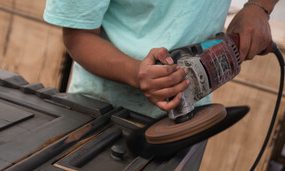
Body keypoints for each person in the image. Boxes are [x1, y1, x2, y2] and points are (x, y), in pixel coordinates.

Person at [44, 0, 278, 118]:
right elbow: (78, 35)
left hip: (193, 115)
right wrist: (136, 73)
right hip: (103, 111)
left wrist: (260, 7)